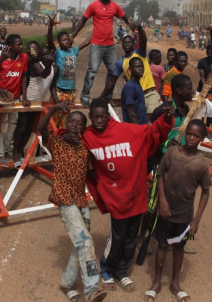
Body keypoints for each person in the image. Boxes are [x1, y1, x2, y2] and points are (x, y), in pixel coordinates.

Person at [83, 98, 174, 293]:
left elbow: (151, 133)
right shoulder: (87, 136)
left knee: (132, 236)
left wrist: (166, 119)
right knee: (117, 236)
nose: (99, 121)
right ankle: (107, 269)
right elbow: (69, 138)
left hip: (136, 192)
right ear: (90, 118)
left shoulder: (126, 130)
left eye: (102, 116)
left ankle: (122, 271)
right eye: (95, 117)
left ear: (109, 116)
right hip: (115, 196)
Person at [37, 104, 108, 302]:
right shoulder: (57, 142)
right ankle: (92, 290)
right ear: (66, 124)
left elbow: (94, 173)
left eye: (79, 123)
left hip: (81, 200)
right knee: (85, 243)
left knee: (82, 246)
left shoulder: (86, 148)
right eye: (71, 121)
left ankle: (67, 283)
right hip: (64, 198)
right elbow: (41, 129)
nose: (75, 125)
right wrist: (52, 111)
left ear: (84, 128)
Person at [144, 118, 211, 302]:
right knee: (162, 245)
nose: (190, 138)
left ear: (202, 138)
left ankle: (175, 283)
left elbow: (205, 192)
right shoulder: (172, 153)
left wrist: (196, 219)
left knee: (179, 247)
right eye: (188, 133)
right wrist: (162, 201)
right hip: (165, 212)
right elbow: (160, 174)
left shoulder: (202, 164)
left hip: (185, 216)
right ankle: (156, 282)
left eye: (196, 136)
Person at [71, 0, 133, 107]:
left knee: (113, 71)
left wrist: (134, 27)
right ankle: (85, 96)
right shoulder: (93, 6)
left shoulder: (115, 6)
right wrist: (73, 36)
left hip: (110, 45)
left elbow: (126, 18)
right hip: (96, 44)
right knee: (92, 71)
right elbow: (83, 21)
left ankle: (107, 97)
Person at [12, 44, 60, 167]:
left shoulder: (56, 68)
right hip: (28, 101)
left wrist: (57, 101)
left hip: (38, 103)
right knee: (22, 127)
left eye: (47, 54)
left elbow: (52, 86)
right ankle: (15, 153)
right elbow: (44, 74)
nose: (45, 57)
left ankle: (21, 150)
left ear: (51, 54)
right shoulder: (36, 66)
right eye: (43, 55)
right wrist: (25, 98)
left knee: (29, 129)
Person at [99, 26, 161, 118]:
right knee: (138, 125)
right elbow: (112, 82)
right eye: (125, 43)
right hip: (136, 97)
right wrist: (101, 97)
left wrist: (140, 28)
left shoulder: (140, 53)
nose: (127, 44)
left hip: (150, 94)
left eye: (129, 42)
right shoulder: (121, 63)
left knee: (153, 122)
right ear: (122, 45)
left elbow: (144, 40)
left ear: (134, 43)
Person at [0, 34, 29, 167]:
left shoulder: (23, 57)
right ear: (10, 46)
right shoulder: (2, 59)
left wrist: (25, 97)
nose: (21, 46)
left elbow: (23, 77)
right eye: (18, 44)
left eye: (21, 43)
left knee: (12, 125)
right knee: (0, 127)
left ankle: (6, 151)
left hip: (15, 98)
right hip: (1, 99)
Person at [47, 15, 90, 126]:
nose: (66, 41)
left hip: (71, 92)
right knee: (54, 118)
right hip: (60, 91)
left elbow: (86, 42)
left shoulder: (73, 51)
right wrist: (50, 28)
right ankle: (49, 140)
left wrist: (99, 30)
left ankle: (61, 139)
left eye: (67, 39)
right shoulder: (58, 53)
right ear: (59, 42)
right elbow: (50, 42)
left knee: (65, 119)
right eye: (63, 40)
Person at [120, 57, 147, 124]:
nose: (140, 69)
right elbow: (131, 112)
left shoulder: (137, 84)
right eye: (137, 67)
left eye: (142, 66)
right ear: (130, 69)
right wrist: (137, 130)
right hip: (134, 128)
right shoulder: (130, 87)